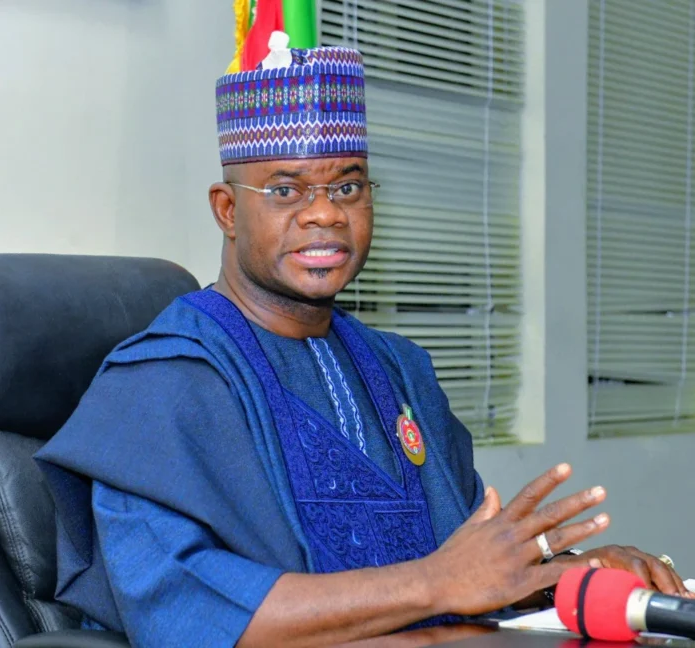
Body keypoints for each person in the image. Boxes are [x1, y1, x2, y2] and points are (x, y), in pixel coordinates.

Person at [35, 38, 690, 648]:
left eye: (347, 186)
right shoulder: (159, 384)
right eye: (286, 190)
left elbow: (473, 571)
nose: (325, 213)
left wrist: (570, 574)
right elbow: (181, 609)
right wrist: (437, 582)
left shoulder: (400, 369)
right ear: (228, 210)